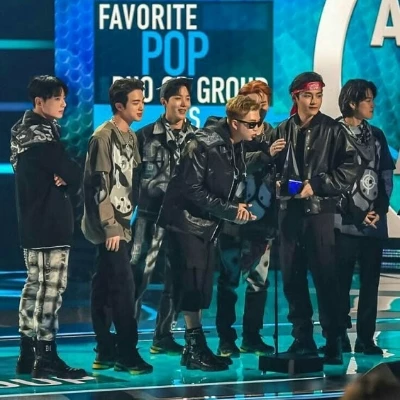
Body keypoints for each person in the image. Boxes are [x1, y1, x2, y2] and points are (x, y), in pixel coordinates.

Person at [157, 95, 260, 371]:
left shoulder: (236, 145)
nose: (257, 128)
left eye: (259, 122)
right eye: (252, 124)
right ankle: (194, 347)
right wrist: (230, 210)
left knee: (202, 286)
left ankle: (195, 346)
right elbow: (192, 189)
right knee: (192, 283)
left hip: (206, 224)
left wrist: (236, 207)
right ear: (235, 123)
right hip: (186, 223)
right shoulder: (203, 144)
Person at [275, 72, 359, 364]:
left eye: (318, 95)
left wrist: (318, 185)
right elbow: (269, 170)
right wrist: (275, 178)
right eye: (308, 95)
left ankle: (333, 340)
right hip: (289, 214)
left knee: (326, 279)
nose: (314, 101)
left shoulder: (333, 130)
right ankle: (302, 338)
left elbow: (350, 169)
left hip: (320, 213)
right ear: (295, 96)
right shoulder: (281, 129)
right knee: (291, 278)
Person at [11, 75, 86, 378]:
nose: (64, 103)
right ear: (39, 102)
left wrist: (65, 175)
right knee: (50, 290)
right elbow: (73, 172)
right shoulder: (41, 138)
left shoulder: (23, 133)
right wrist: (67, 175)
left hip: (33, 223)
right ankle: (46, 355)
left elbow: (65, 172)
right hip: (49, 222)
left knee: (34, 286)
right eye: (57, 98)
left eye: (64, 98)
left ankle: (27, 354)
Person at [81, 78, 152, 374]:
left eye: (142, 101)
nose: (141, 107)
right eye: (135, 102)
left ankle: (105, 349)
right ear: (119, 106)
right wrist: (110, 226)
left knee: (104, 283)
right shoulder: (103, 137)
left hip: (124, 221)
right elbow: (99, 186)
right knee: (123, 286)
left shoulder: (131, 136)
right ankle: (126, 352)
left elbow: (131, 180)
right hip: (108, 226)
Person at [214, 80, 286, 358]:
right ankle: (226, 339)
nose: (261, 105)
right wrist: (266, 155)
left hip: (263, 220)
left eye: (264, 99)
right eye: (255, 100)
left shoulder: (273, 133)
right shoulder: (232, 134)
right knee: (230, 280)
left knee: (259, 280)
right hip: (234, 220)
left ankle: (252, 337)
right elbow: (238, 163)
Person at [131, 77, 196, 355]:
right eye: (178, 98)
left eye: (187, 98)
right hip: (149, 216)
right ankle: (126, 338)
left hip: (182, 219)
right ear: (164, 102)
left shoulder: (197, 137)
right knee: (137, 277)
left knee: (177, 278)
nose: (184, 103)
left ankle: (163, 336)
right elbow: (132, 178)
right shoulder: (144, 136)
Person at [333, 79, 395, 355]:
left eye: (372, 99)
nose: (373, 105)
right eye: (367, 99)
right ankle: (338, 336)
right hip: (343, 224)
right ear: (351, 103)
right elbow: (329, 180)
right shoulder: (333, 133)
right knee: (340, 285)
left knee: (371, 285)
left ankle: (366, 339)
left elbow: (385, 177)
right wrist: (357, 213)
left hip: (373, 226)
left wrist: (379, 210)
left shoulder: (377, 135)